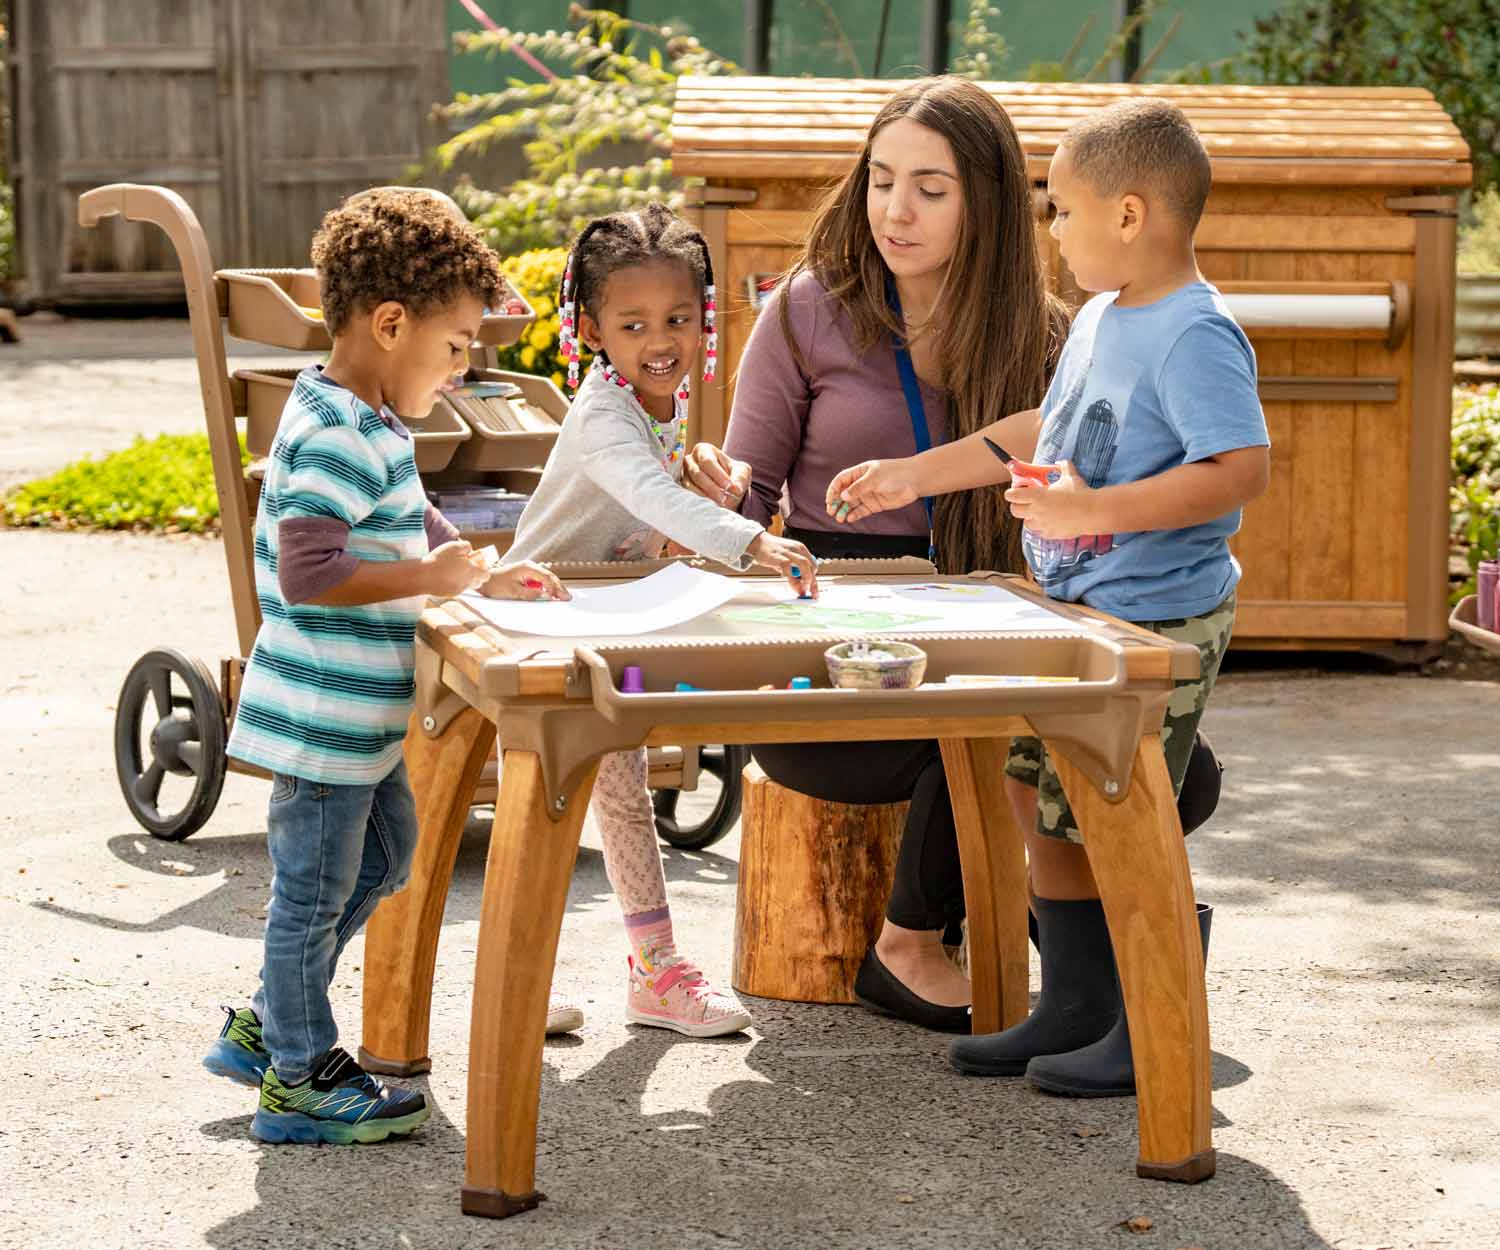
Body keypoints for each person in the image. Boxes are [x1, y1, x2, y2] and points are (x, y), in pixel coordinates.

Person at [827, 98, 1270, 1096]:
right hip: (1080, 610)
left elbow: (1240, 468)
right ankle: (1075, 1003)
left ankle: (1157, 1015)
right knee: (1038, 792)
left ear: (1129, 214)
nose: (1052, 231)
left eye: (1063, 212)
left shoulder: (1196, 332)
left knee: (1123, 809)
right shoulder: (1107, 318)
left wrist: (1095, 508)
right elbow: (1046, 423)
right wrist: (915, 474)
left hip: (1157, 623)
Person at [680, 75, 1069, 1031]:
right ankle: (908, 947)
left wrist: (925, 475)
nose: (896, 211)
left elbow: (1074, 466)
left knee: (1173, 765)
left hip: (978, 623)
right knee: (975, 730)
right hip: (828, 655)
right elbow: (752, 494)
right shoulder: (810, 310)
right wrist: (720, 491)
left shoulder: (1045, 334)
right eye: (881, 179)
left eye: (931, 189)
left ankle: (1053, 927)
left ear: (986, 200)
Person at [202, 188, 570, 1144]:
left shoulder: (373, 423)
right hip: (322, 722)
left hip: (360, 720)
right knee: (311, 894)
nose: (457, 373)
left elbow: (412, 521)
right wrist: (429, 576)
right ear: (390, 322)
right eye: (454, 349)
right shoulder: (329, 429)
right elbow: (311, 568)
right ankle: (298, 1079)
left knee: (387, 858)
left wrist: (484, 568)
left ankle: (268, 1023)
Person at [505, 202, 819, 1037]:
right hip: (545, 624)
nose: (661, 341)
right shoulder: (606, 411)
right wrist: (749, 538)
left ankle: (631, 972)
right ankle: (582, 975)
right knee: (563, 798)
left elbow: (655, 487)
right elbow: (640, 494)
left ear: (705, 320)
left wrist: (698, 473)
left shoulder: (647, 404)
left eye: (678, 319)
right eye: (634, 323)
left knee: (613, 788)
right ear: (592, 328)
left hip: (602, 618)